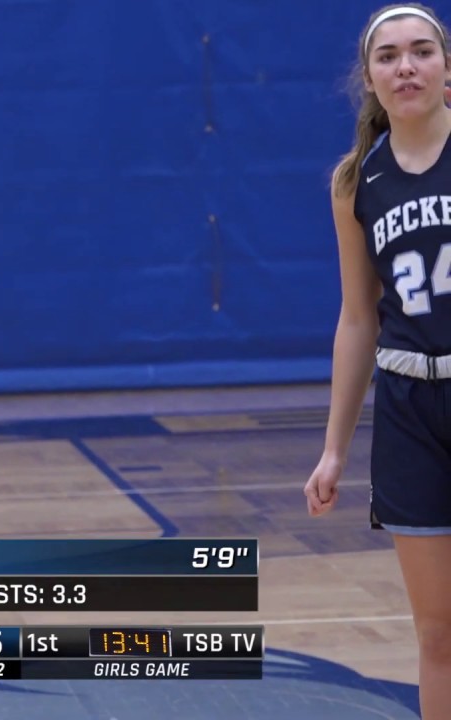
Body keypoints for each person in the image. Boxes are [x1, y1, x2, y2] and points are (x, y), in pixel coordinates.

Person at [308, 5, 451, 718]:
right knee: (438, 632)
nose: (406, 67)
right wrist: (334, 448)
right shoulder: (354, 182)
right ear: (368, 78)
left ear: (447, 69)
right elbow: (358, 318)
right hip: (408, 410)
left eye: (422, 51)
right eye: (389, 56)